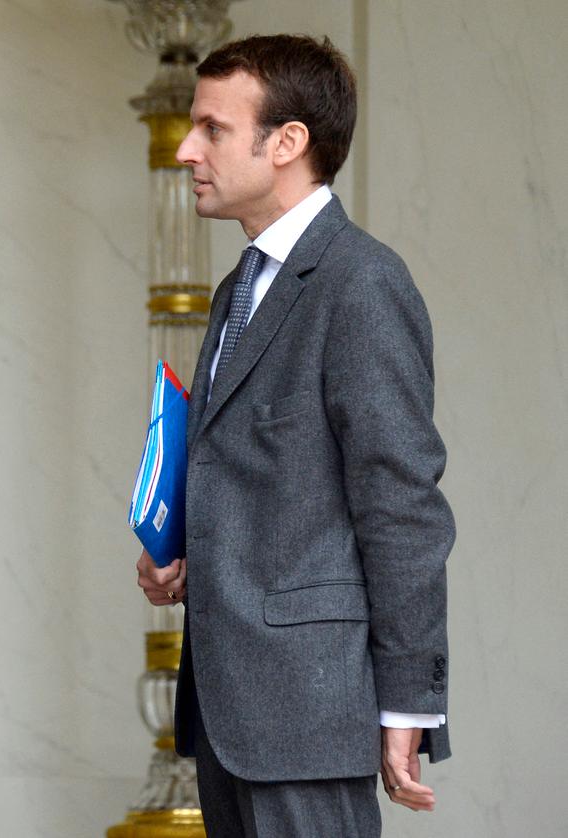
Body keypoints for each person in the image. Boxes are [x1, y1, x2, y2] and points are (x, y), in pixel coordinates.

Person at [136, 34, 454, 837]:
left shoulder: (362, 284)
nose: (185, 150)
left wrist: (408, 702)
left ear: (287, 143)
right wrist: (185, 546)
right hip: (225, 711)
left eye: (211, 127)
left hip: (311, 716)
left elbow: (401, 505)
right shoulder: (240, 286)